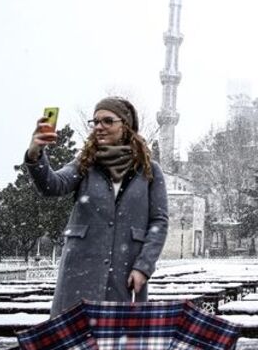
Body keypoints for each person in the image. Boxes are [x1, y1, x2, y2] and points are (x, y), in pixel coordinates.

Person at [25, 97, 168, 316]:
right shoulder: (85, 163)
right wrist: (36, 153)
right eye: (96, 122)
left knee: (120, 341)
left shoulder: (149, 170)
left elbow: (159, 221)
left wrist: (144, 266)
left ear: (126, 126)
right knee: (75, 338)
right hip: (80, 267)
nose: (99, 127)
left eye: (107, 121)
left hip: (126, 269)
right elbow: (52, 185)